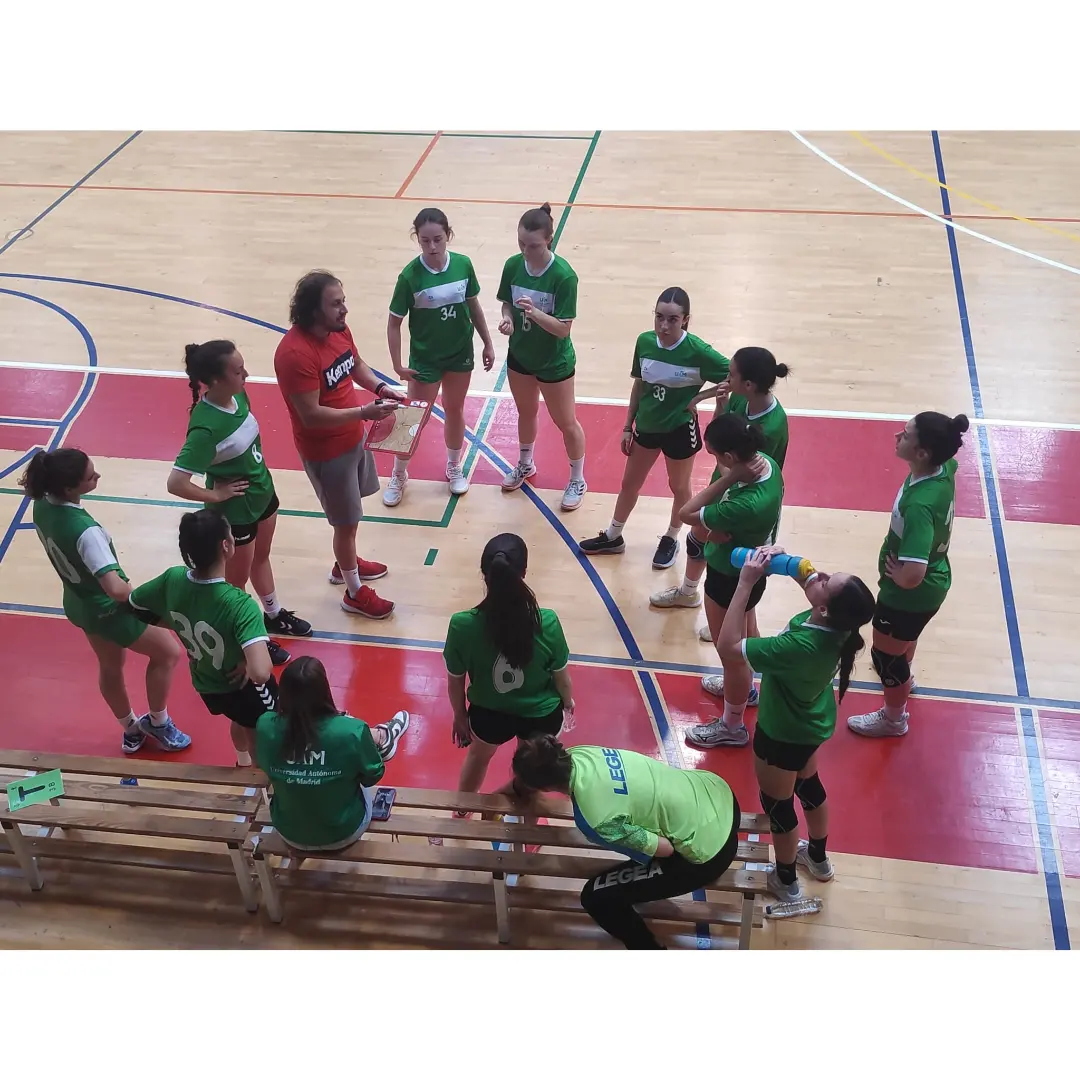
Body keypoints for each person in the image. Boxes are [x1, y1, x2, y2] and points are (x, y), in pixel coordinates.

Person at [713, 547, 874, 906]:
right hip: (812, 723)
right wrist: (783, 560)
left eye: (827, 580)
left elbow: (727, 647)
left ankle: (785, 879)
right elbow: (809, 580)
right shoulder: (842, 626)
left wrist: (745, 583)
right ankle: (817, 858)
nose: (820, 575)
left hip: (782, 731)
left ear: (823, 609)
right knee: (809, 785)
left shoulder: (797, 646)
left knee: (778, 804)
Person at [21, 449, 191, 754]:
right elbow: (116, 589)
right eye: (90, 476)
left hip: (79, 602)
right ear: (69, 488)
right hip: (108, 609)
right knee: (168, 653)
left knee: (110, 665)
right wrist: (144, 596)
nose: (97, 476)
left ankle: (130, 729)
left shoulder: (41, 505)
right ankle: (158, 721)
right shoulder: (87, 533)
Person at [505, 735, 741, 950]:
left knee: (596, 897)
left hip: (711, 851)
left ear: (544, 788)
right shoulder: (583, 752)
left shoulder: (594, 819)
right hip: (719, 794)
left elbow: (665, 850)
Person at [168, 339, 312, 667]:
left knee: (262, 558)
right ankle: (253, 639)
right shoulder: (205, 428)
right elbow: (176, 483)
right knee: (236, 584)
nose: (246, 374)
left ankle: (273, 614)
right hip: (235, 513)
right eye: (237, 370)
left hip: (263, 494)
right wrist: (215, 495)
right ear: (216, 380)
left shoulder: (238, 395)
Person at [273, 270, 407, 619]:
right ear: (312, 310)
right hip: (326, 451)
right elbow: (311, 415)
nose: (344, 309)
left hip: (352, 438)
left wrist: (380, 388)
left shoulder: (338, 330)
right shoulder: (294, 354)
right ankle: (353, 593)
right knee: (344, 523)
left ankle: (344, 563)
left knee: (350, 520)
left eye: (343, 301)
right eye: (336, 304)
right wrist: (364, 411)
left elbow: (355, 364)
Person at [578, 288, 729, 569]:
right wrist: (627, 426)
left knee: (679, 486)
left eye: (672, 319)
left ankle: (672, 537)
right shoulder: (645, 342)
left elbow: (734, 375)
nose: (663, 326)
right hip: (646, 427)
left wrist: (700, 397)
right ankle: (613, 535)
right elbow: (639, 385)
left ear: (685, 320)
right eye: (659, 317)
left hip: (680, 430)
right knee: (629, 484)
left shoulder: (698, 351)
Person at [847, 412, 969, 738]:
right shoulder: (944, 470)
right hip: (933, 584)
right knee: (904, 640)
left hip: (910, 594)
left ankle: (893, 717)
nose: (896, 437)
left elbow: (914, 573)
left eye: (905, 434)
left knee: (884, 654)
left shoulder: (919, 506)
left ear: (923, 452)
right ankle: (905, 679)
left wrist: (900, 578)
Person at [127, 509, 277, 766]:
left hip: (207, 683)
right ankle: (264, 785)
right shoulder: (240, 604)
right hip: (239, 685)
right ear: (226, 545)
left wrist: (176, 622)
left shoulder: (172, 578)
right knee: (261, 733)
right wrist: (248, 660)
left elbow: (134, 605)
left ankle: (242, 764)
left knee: (239, 718)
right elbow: (261, 672)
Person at [650, 345, 790, 620]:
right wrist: (720, 406)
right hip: (725, 484)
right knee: (698, 538)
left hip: (747, 501)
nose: (726, 379)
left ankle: (731, 619)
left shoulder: (772, 427)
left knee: (737, 563)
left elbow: (750, 475)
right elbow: (718, 439)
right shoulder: (739, 399)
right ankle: (688, 593)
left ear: (748, 384)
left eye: (731, 374)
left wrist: (725, 472)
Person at [444, 533, 573, 809]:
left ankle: (460, 814)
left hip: (489, 715)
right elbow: (561, 679)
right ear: (523, 572)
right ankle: (526, 830)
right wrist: (569, 701)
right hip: (540, 715)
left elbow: (455, 680)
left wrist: (459, 716)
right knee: (532, 768)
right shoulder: (546, 621)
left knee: (479, 756)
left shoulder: (461, 625)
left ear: (484, 574)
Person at [677, 415, 784, 748]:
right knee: (747, 634)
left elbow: (687, 513)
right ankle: (746, 689)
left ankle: (732, 725)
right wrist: (735, 473)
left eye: (713, 453)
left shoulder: (742, 505)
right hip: (752, 570)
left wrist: (728, 479)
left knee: (732, 654)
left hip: (729, 577)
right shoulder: (767, 465)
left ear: (729, 457)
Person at [384, 207, 496, 506]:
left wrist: (487, 342)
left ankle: (454, 465)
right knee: (412, 416)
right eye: (425, 241)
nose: (432, 247)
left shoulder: (463, 265)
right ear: (417, 239)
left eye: (438, 239)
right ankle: (398, 474)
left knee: (455, 410)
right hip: (425, 360)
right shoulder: (409, 276)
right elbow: (394, 322)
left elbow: (474, 307)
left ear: (448, 235)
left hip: (459, 354)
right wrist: (397, 364)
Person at [255, 655, 410, 851]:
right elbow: (372, 776)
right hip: (343, 832)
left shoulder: (265, 726)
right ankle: (381, 736)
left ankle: (379, 736)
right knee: (354, 764)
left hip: (289, 830)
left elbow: (264, 764)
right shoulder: (351, 731)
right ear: (324, 690)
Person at [496, 203, 587, 511]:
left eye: (532, 245)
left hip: (554, 363)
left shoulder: (563, 277)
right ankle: (525, 463)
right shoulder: (513, 265)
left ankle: (577, 478)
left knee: (566, 422)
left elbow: (563, 329)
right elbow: (506, 303)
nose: (525, 250)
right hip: (520, 357)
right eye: (521, 243)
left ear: (549, 239)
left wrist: (534, 313)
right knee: (525, 412)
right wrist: (507, 318)